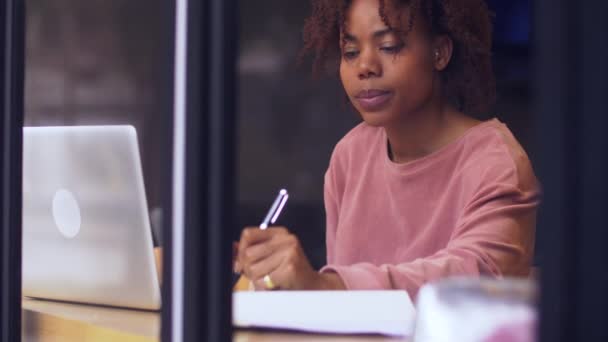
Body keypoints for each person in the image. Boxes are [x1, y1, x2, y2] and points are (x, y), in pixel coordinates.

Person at [234, 0, 540, 298]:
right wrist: (274, 276)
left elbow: (475, 280)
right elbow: (341, 309)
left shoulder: (495, 162)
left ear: (440, 52)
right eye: (350, 52)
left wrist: (326, 286)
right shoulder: (350, 156)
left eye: (389, 46)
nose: (364, 67)